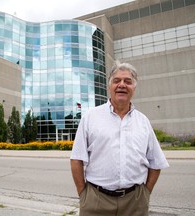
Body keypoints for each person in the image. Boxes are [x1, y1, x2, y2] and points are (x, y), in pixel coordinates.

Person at [70, 60, 169, 216]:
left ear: (133, 88)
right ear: (110, 86)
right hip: (95, 201)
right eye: (117, 81)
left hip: (135, 203)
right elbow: (76, 159)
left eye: (127, 81)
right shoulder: (91, 117)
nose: (122, 85)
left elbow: (156, 162)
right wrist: (83, 195)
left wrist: (145, 194)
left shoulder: (143, 121)